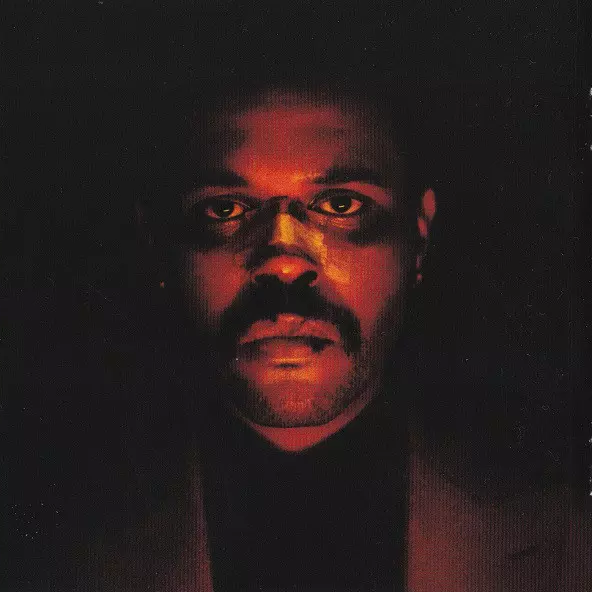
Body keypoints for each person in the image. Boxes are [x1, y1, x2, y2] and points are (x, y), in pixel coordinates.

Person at [77, 79, 590, 592]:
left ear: (419, 234)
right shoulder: (59, 549)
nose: (283, 263)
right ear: (158, 244)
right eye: (225, 210)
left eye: (341, 205)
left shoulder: (568, 538)